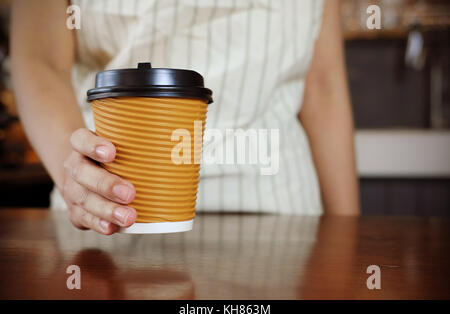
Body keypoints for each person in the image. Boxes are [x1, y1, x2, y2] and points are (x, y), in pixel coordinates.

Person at [10, 0, 360, 235]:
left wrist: (348, 240)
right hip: (114, 209)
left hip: (282, 216)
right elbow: (39, 61)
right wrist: (77, 178)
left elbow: (323, 87)